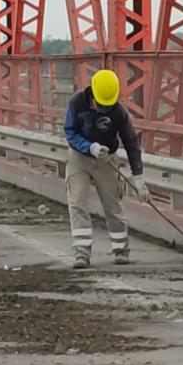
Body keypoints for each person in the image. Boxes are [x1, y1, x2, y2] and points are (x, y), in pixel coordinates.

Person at [63, 69, 148, 268]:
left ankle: (121, 250)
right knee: (77, 204)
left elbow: (131, 142)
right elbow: (70, 131)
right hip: (79, 158)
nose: (104, 109)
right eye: (101, 105)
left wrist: (138, 177)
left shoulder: (118, 111)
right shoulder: (77, 103)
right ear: (92, 94)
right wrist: (89, 147)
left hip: (107, 160)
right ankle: (81, 253)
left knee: (113, 206)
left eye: (107, 105)